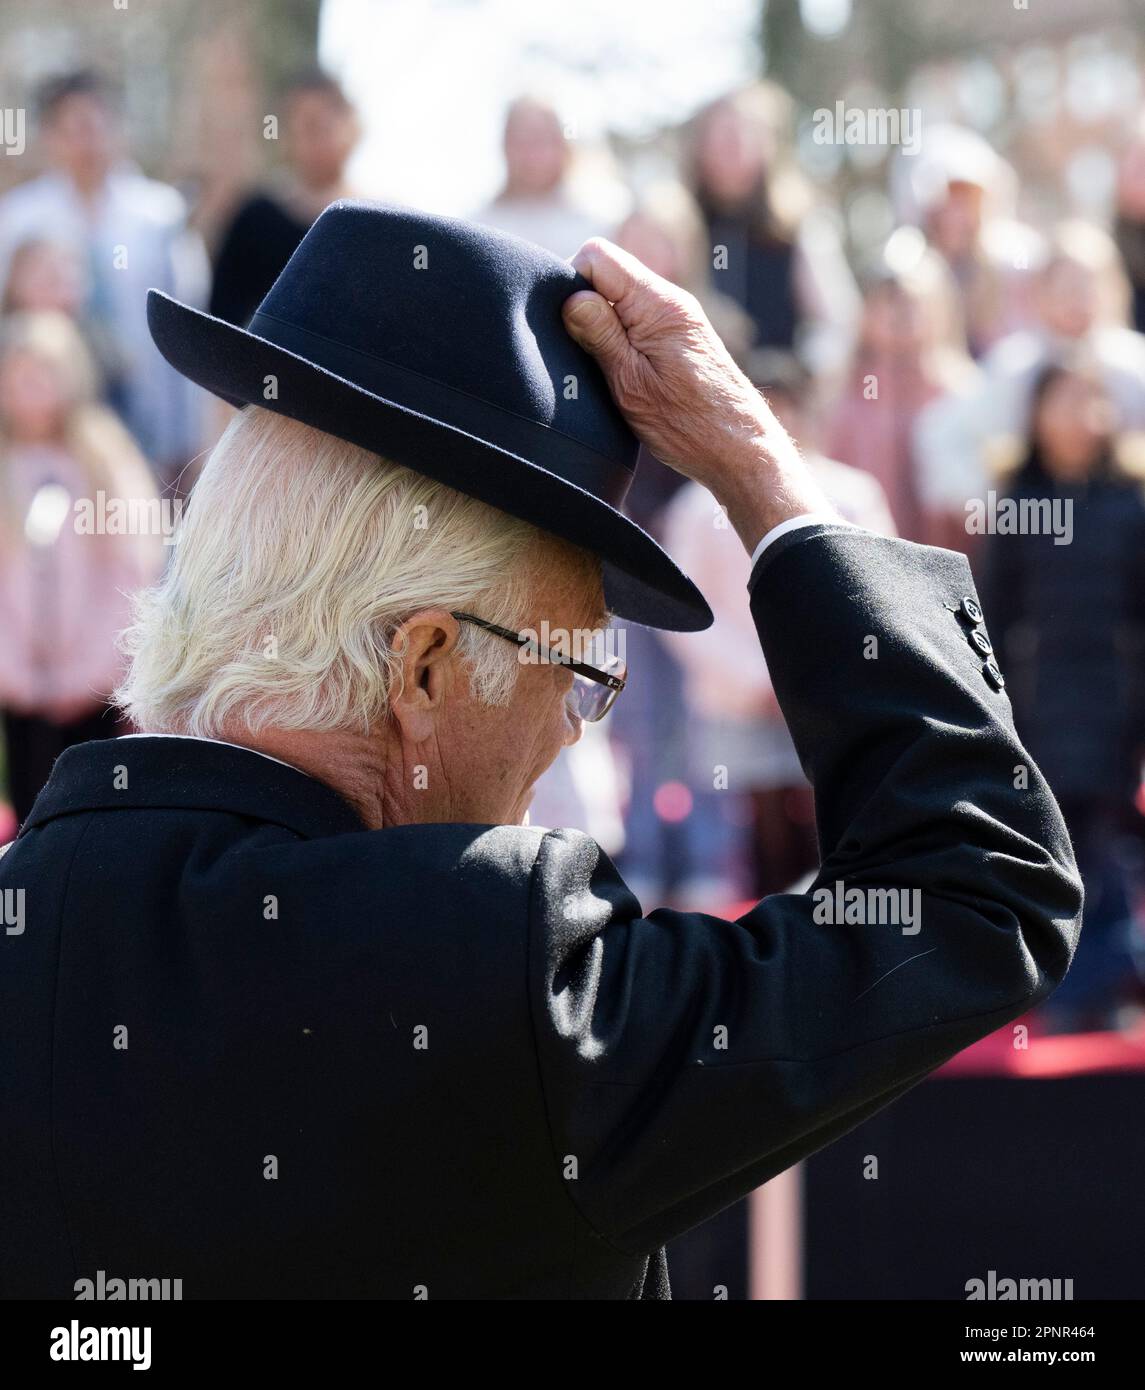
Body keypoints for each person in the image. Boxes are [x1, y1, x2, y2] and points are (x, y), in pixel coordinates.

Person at [0, 202, 1081, 1299]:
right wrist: (762, 473)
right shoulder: (500, 964)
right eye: (570, 664)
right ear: (422, 666)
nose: (573, 720)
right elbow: (979, 891)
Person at [660, 352, 896, 901]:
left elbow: (878, 594)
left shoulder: (851, 496)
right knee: (756, 841)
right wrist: (756, 680)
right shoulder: (699, 506)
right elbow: (681, 608)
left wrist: (815, 674)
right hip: (738, 704)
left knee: (834, 829)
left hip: (831, 700)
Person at [979, 362, 1145, 1031]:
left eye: (1092, 398)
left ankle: (1106, 985)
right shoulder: (1017, 499)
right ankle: (1056, 986)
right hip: (1038, 706)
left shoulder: (1128, 503)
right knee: (1053, 845)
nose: (1081, 413)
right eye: (1065, 397)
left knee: (1105, 842)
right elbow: (988, 616)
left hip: (1113, 706)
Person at [0, 70, 208, 485]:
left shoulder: (160, 217)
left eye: (96, 123)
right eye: (73, 127)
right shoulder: (18, 219)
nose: (87, 140)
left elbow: (191, 331)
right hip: (46, 424)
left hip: (148, 422)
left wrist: (191, 445)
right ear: (50, 136)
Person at [0, 311, 163, 826]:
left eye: (44, 373)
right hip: (22, 691)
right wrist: (18, 672)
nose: (33, 389)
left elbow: (131, 566)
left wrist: (89, 670)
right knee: (30, 809)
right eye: (20, 375)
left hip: (90, 687)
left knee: (87, 807)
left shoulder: (103, 457)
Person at [916, 221, 1145, 552]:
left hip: (1126, 543)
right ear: (1041, 293)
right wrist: (1005, 509)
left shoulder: (1134, 366)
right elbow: (938, 437)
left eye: (1087, 286)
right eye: (1065, 288)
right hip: (1039, 545)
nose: (1077, 300)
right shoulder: (1015, 367)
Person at [685, 83, 859, 374]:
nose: (733, 148)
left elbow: (838, 321)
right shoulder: (680, 221)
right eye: (722, 137)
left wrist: (798, 373)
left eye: (743, 136)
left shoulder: (801, 227)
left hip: (773, 400)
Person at [208, 69, 361, 329]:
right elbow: (221, 319)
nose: (314, 141)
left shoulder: (374, 223)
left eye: (323, 126)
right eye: (304, 128)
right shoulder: (255, 220)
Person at [471, 94, 624, 258]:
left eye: (542, 139)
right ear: (505, 145)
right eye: (521, 140)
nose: (532, 153)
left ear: (563, 143)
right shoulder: (480, 226)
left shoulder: (605, 219)